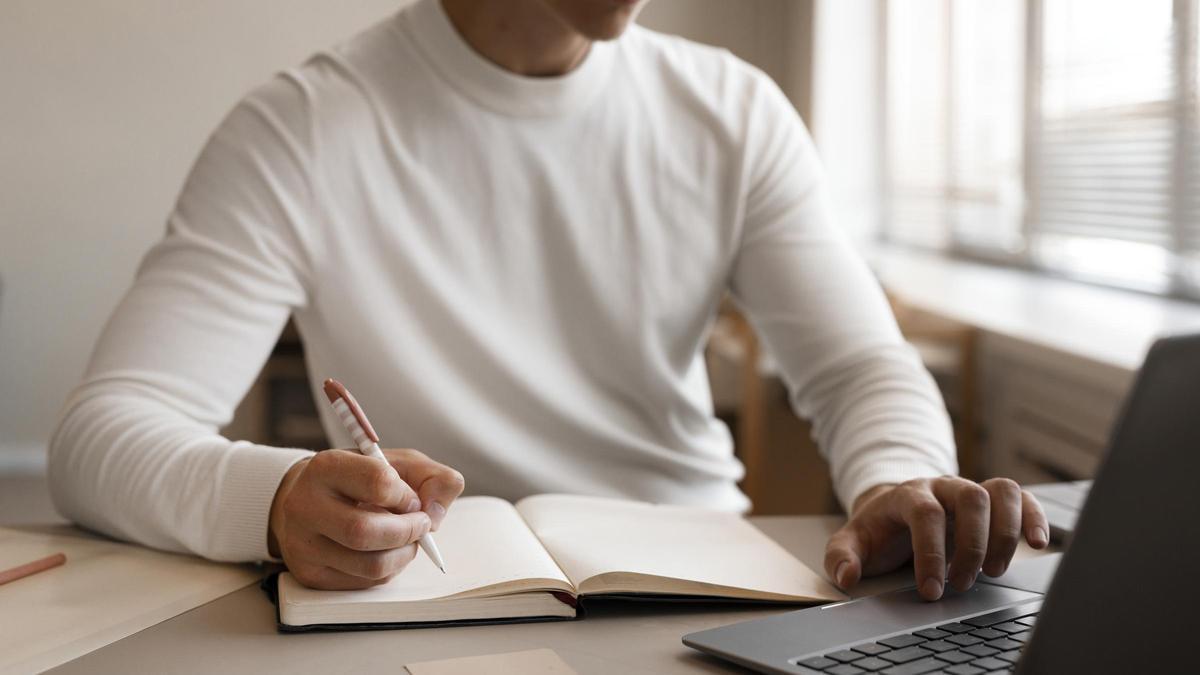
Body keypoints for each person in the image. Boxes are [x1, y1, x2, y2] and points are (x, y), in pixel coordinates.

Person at [48, 0, 1047, 599]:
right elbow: (103, 437)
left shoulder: (732, 111)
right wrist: (271, 503)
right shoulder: (300, 129)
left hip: (703, 586)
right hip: (436, 601)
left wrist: (895, 479)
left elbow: (858, 365)